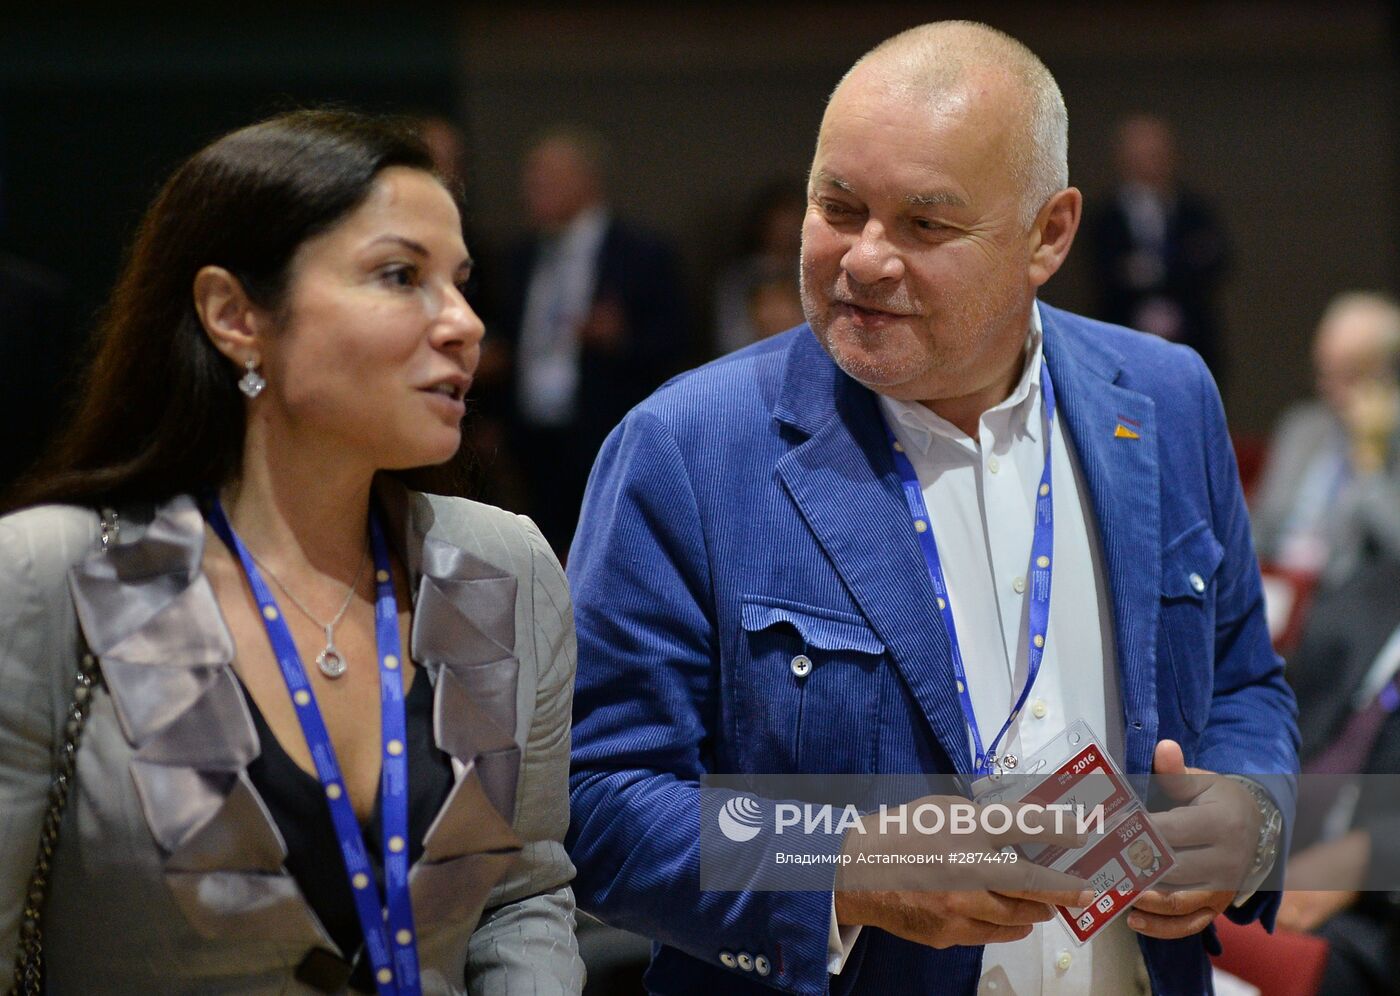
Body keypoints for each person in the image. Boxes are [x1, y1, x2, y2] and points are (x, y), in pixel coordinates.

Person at [566, 21, 1297, 996]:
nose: (863, 259)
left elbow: (1242, 679)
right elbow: (596, 802)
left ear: (1049, 233)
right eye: (837, 207)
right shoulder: (688, 450)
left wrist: (1252, 817)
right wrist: (842, 865)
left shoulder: (1162, 400)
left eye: (923, 225)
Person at [0, 110, 584, 994]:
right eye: (400, 276)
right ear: (235, 316)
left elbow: (522, 895)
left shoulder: (506, 563)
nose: (464, 323)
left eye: (461, 284)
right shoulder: (45, 572)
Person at [493, 126, 688, 555]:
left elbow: (677, 341)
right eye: (532, 180)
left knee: (607, 549)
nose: (533, 191)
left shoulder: (641, 252)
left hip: (605, 428)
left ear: (587, 181)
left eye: (547, 179)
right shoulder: (520, 255)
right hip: (531, 432)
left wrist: (619, 340)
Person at [1250, 291, 1400, 583]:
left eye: (1350, 374)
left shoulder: (1392, 440)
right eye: (1325, 372)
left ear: (1386, 373)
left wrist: (1370, 459)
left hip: (1351, 605)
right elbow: (1260, 526)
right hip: (1280, 589)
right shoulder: (1303, 427)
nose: (1330, 389)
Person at [1088, 114, 1230, 387]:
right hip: (1123, 340)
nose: (1149, 163)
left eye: (1156, 154)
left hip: (1194, 342)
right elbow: (1104, 272)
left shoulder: (1195, 211)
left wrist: (1150, 270)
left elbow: (1216, 261)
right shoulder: (1106, 216)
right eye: (1141, 155)